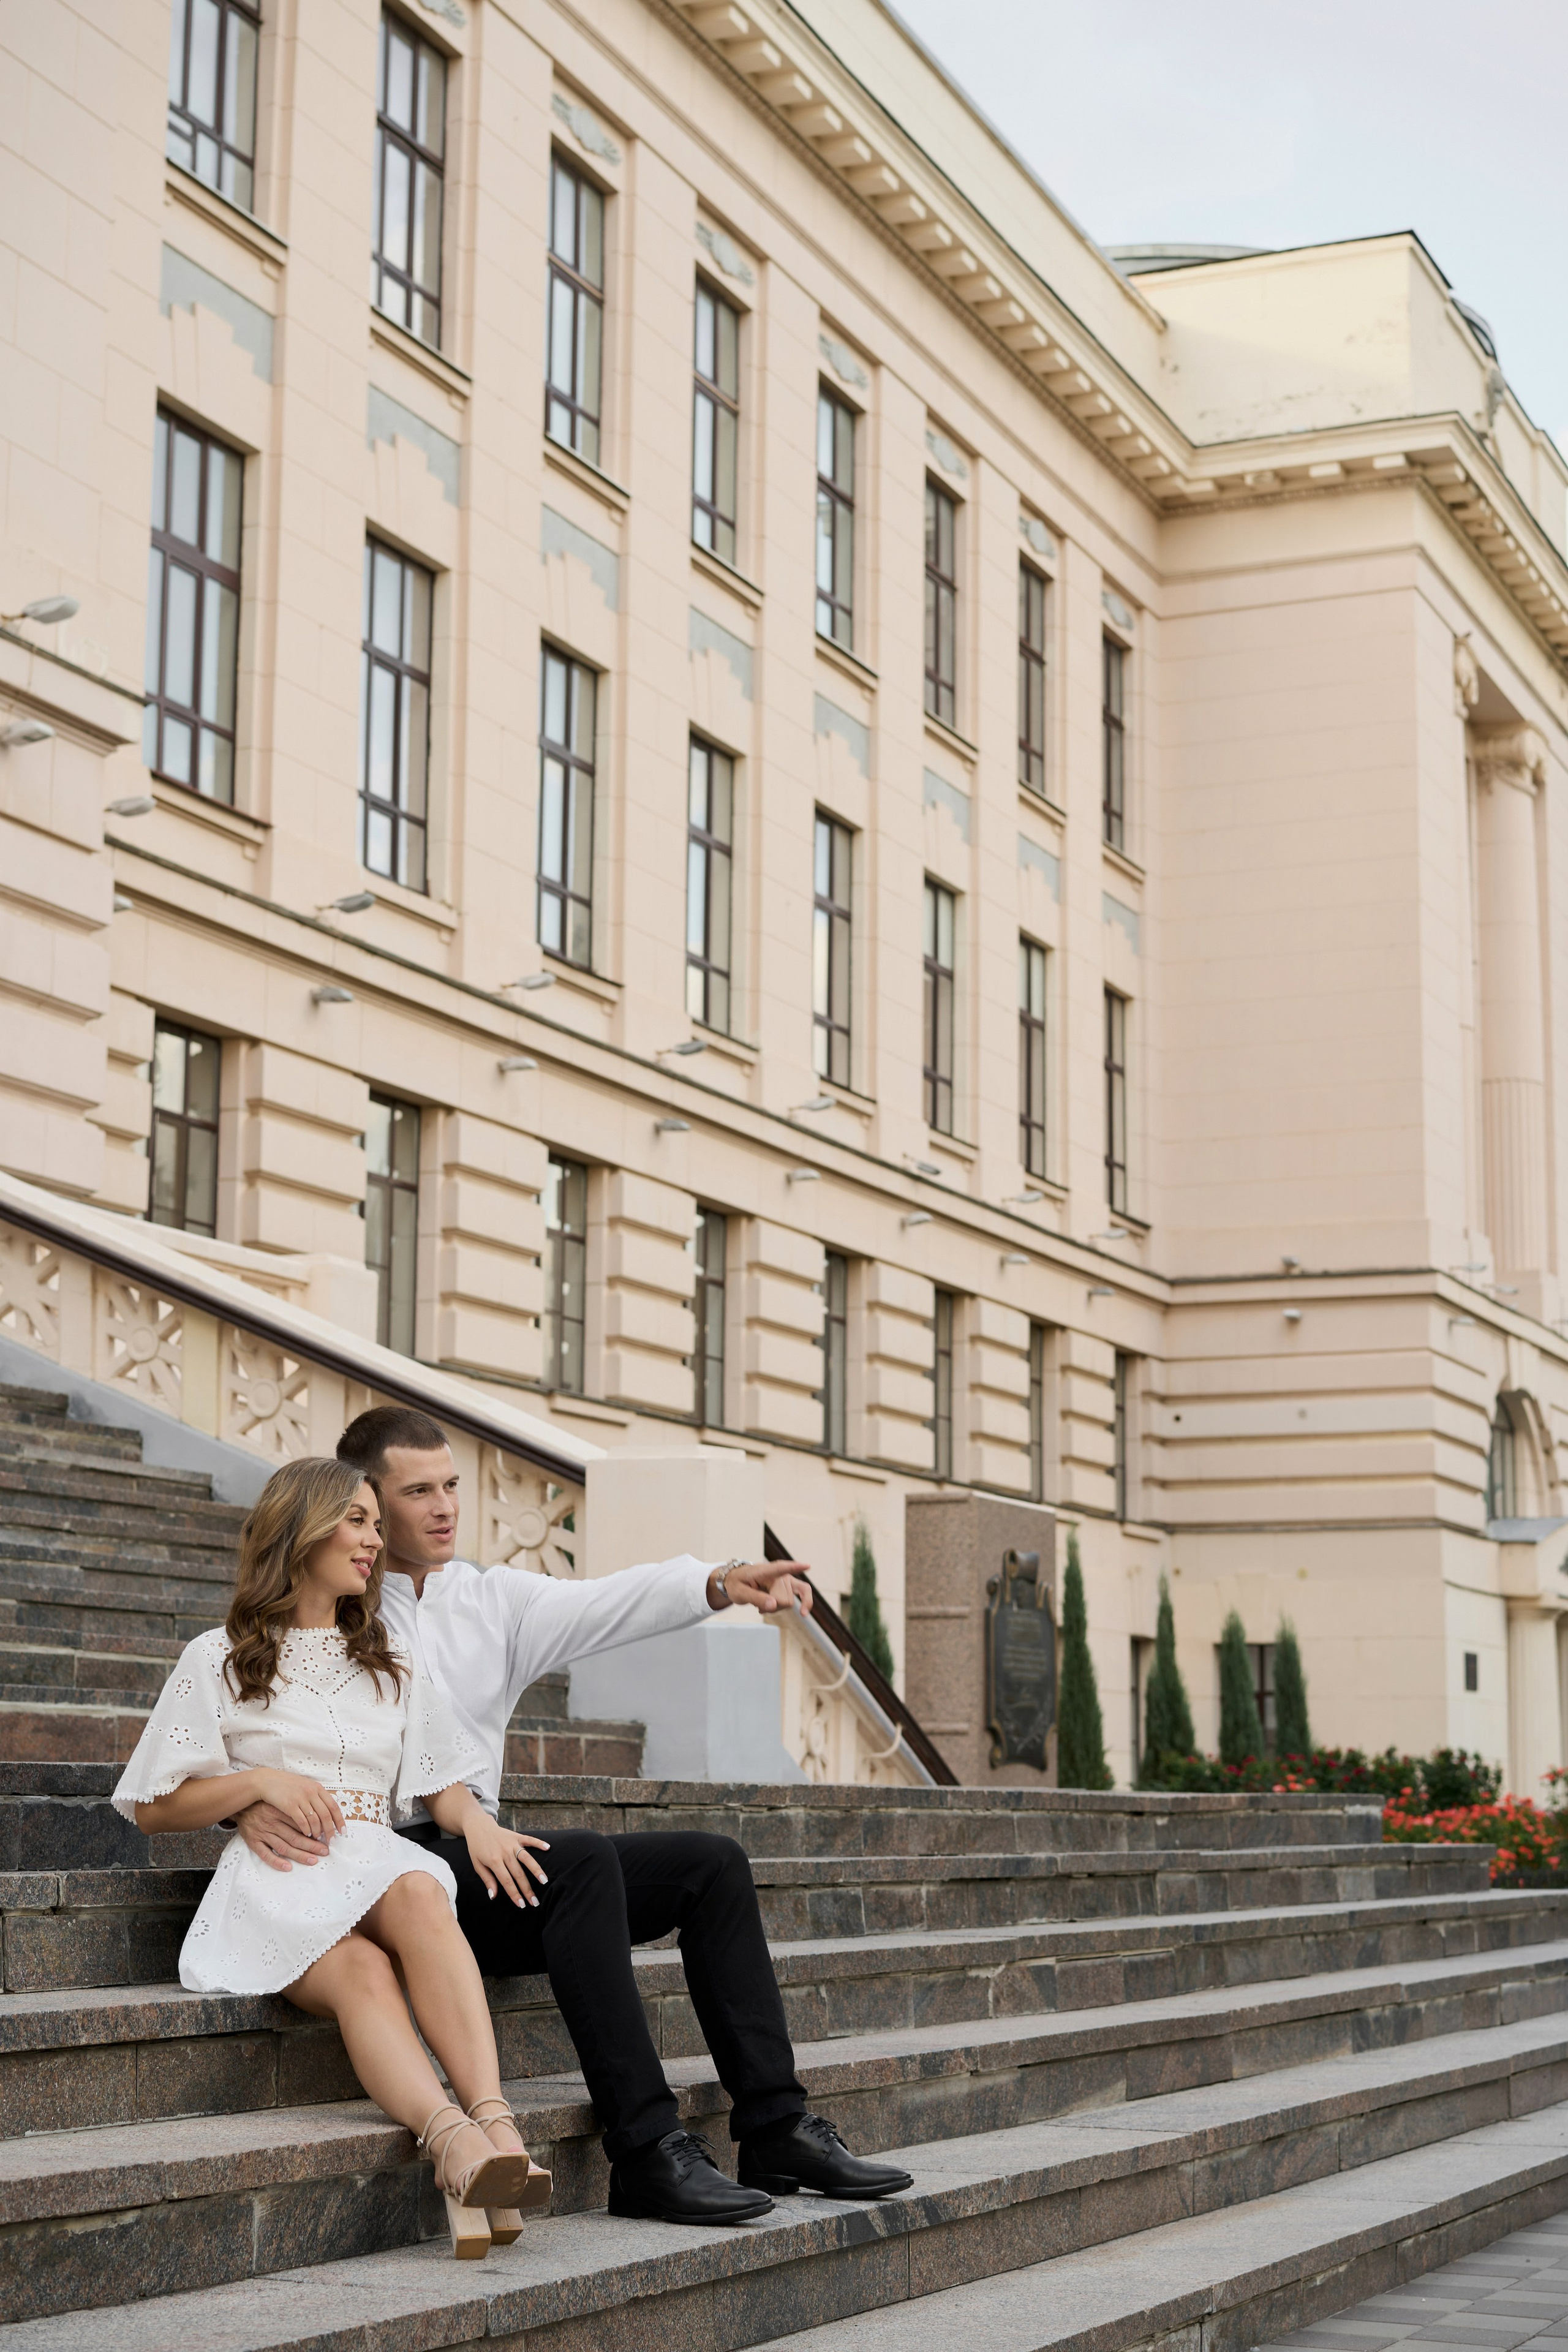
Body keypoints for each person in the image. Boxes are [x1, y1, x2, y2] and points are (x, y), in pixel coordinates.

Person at [230, 1404, 914, 2225]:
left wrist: (720, 1580)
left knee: (710, 1864)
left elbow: (608, 1601)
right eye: (419, 1491)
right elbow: (240, 1725)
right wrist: (246, 1809)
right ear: (362, 1504)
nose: (447, 1506)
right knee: (580, 1860)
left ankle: (776, 2125)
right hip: (382, 1879)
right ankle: (647, 2151)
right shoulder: (324, 1609)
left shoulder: (492, 1601)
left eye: (452, 1484)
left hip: (476, 1863)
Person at [113, 1456, 554, 2261]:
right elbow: (153, 1805)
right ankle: (455, 2144)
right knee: (363, 1972)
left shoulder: (390, 1663)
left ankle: (491, 2130)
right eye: (357, 1520)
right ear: (301, 1529)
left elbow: (441, 1785)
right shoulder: (216, 1658)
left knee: (421, 1888)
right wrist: (257, 1786)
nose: (374, 1540)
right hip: (278, 1883)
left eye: (376, 1526)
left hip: (371, 1858)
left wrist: (478, 1826)